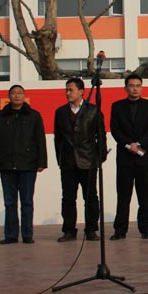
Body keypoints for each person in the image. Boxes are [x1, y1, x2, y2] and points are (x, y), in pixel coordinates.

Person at [0, 85, 47, 244]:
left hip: (28, 165)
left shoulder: (34, 116)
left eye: (20, 93)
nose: (16, 96)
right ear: (8, 96)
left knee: (27, 202)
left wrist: (42, 162)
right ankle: (11, 235)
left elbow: (40, 140)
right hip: (6, 165)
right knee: (10, 203)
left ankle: (27, 235)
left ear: (24, 96)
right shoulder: (0, 116)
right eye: (13, 93)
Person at [54, 77, 107, 242]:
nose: (68, 93)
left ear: (81, 91)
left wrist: (100, 157)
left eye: (71, 90)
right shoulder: (60, 112)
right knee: (68, 198)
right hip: (68, 162)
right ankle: (69, 230)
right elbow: (58, 138)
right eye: (66, 90)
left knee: (90, 197)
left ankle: (91, 229)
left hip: (88, 160)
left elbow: (101, 135)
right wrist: (60, 159)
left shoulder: (93, 110)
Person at [110, 74, 148, 241]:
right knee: (123, 195)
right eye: (131, 86)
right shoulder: (117, 106)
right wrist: (129, 145)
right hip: (125, 157)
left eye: (138, 85)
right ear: (126, 88)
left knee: (144, 195)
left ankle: (146, 229)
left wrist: (138, 144)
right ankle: (120, 230)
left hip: (144, 157)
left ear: (141, 87)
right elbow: (115, 130)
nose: (135, 88)